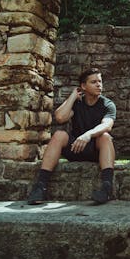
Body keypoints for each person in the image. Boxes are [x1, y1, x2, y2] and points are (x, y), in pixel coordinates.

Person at [27, 67, 117, 205]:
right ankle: (41, 186)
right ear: (83, 86)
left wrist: (88, 135)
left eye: (100, 81)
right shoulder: (77, 103)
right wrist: (73, 96)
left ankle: (107, 187)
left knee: (105, 136)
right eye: (93, 82)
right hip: (76, 148)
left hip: (95, 151)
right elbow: (60, 117)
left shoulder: (107, 104)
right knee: (59, 135)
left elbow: (107, 125)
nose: (99, 85)